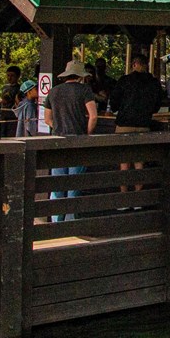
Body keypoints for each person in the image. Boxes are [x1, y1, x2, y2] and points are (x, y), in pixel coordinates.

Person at [44, 60, 98, 221]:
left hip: (58, 141)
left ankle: (56, 221)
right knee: (74, 184)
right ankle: (70, 221)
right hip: (77, 140)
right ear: (81, 76)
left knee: (57, 186)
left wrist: (58, 126)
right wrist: (86, 133)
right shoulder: (84, 90)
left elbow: (47, 119)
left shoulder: (53, 92)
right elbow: (93, 116)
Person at [112, 53, 164, 133]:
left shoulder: (125, 80)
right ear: (146, 65)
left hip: (125, 123)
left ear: (134, 65)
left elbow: (114, 101)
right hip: (144, 123)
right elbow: (158, 103)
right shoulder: (154, 83)